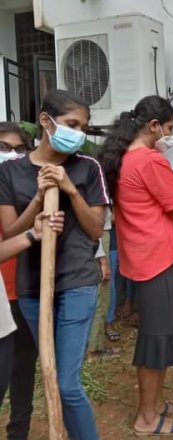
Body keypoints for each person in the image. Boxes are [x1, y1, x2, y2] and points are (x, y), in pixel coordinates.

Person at [0, 89, 110, 440]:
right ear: (46, 122)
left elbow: (95, 230)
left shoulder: (87, 168)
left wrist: (70, 190)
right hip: (33, 286)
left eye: (83, 127)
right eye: (71, 124)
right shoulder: (11, 172)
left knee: (66, 381)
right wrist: (37, 197)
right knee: (47, 372)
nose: (78, 133)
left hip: (77, 281)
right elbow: (10, 233)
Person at [100, 95, 173, 436]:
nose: (170, 135)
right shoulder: (150, 161)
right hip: (158, 261)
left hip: (141, 258)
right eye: (169, 128)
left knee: (160, 334)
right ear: (154, 126)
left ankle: (156, 404)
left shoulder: (123, 159)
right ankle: (146, 417)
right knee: (156, 340)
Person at [0, 122, 43, 440]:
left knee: (24, 370)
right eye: (4, 147)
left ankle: (19, 432)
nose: (12, 155)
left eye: (19, 149)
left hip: (25, 291)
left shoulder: (27, 191)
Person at [0, 211, 65, 411]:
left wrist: (32, 233)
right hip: (12, 297)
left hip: (17, 301)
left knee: (22, 371)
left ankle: (18, 433)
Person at [86, 210, 120, 361]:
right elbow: (96, 224)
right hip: (100, 238)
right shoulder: (98, 188)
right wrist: (102, 259)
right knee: (101, 296)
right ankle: (94, 350)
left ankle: (94, 346)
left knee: (100, 296)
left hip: (100, 238)